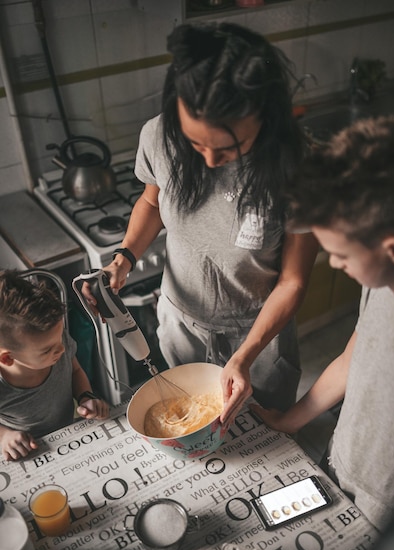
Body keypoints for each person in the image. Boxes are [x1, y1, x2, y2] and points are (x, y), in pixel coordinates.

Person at [85, 22, 318, 424]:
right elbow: (151, 201)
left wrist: (246, 356)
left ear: (264, 117)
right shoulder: (158, 136)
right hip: (182, 326)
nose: (209, 162)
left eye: (229, 149)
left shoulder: (297, 166)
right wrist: (123, 256)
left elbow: (293, 281)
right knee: (189, 430)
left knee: (263, 442)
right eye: (195, 145)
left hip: (259, 335)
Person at [252, 115, 394, 531]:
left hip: (393, 506)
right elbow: (353, 356)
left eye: (341, 255)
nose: (335, 264)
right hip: (342, 457)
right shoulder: (384, 283)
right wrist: (289, 420)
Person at [0, 270, 109, 461]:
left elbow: (75, 370)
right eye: (47, 350)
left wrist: (86, 396)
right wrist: (4, 436)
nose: (61, 348)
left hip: (68, 436)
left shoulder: (55, 343)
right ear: (7, 359)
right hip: (27, 454)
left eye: (61, 337)